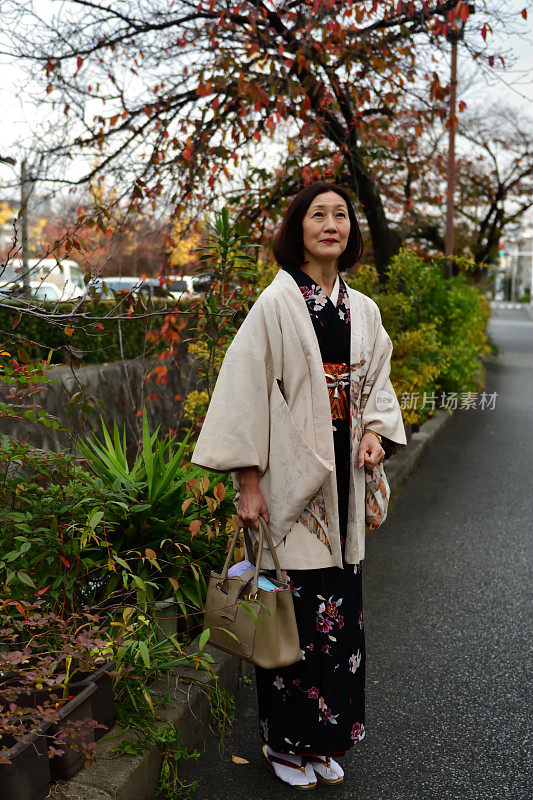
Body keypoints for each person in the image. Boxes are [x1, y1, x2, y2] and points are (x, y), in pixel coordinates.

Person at [191, 181, 406, 789]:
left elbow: (380, 392)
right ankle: (284, 744)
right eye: (319, 214)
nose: (331, 224)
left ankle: (326, 738)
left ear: (349, 232)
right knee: (291, 617)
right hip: (295, 484)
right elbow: (244, 396)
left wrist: (375, 436)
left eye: (341, 214)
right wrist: (248, 483)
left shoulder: (363, 310)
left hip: (345, 482)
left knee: (339, 619)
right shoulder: (277, 304)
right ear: (299, 229)